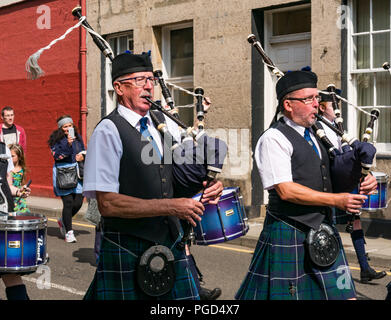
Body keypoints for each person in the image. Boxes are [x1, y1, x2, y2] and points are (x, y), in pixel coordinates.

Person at [82, 52, 223, 300]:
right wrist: (171, 207)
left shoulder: (161, 123)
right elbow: (107, 203)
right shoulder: (108, 131)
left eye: (151, 80)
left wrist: (209, 185)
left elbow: (174, 178)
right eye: (139, 80)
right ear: (119, 87)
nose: (149, 86)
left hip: (170, 243)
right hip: (128, 245)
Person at [236, 70, 375, 300]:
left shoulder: (319, 134)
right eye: (309, 99)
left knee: (345, 296)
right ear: (288, 105)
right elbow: (285, 190)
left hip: (323, 230)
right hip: (290, 231)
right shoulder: (273, 139)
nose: (317, 105)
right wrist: (337, 201)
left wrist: (361, 179)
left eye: (317, 98)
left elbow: (332, 175)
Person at [318, 92, 387, 283]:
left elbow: (348, 155)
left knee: (356, 222)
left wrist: (366, 171)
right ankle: (330, 271)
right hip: (330, 185)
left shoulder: (337, 128)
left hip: (344, 182)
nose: (338, 109)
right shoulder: (318, 127)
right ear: (322, 107)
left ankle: (364, 268)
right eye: (334, 105)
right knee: (326, 227)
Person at [0, 139, 31, 299]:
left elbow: (6, 184)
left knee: (9, 270)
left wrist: (18, 191)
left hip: (5, 215)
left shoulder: (3, 148)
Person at [48, 115, 85, 243]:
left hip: (78, 171)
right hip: (64, 172)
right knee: (68, 202)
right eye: (65, 126)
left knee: (79, 202)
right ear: (60, 128)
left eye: (70, 125)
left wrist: (82, 156)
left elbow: (83, 150)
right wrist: (68, 144)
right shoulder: (55, 140)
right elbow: (58, 156)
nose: (68, 128)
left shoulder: (77, 137)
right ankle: (69, 232)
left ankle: (63, 220)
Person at [9, 143, 30, 213]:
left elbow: (21, 183)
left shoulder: (22, 169)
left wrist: (24, 188)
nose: (10, 158)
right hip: (9, 196)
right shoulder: (7, 169)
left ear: (19, 157)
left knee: (23, 214)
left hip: (19, 197)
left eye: (12, 156)